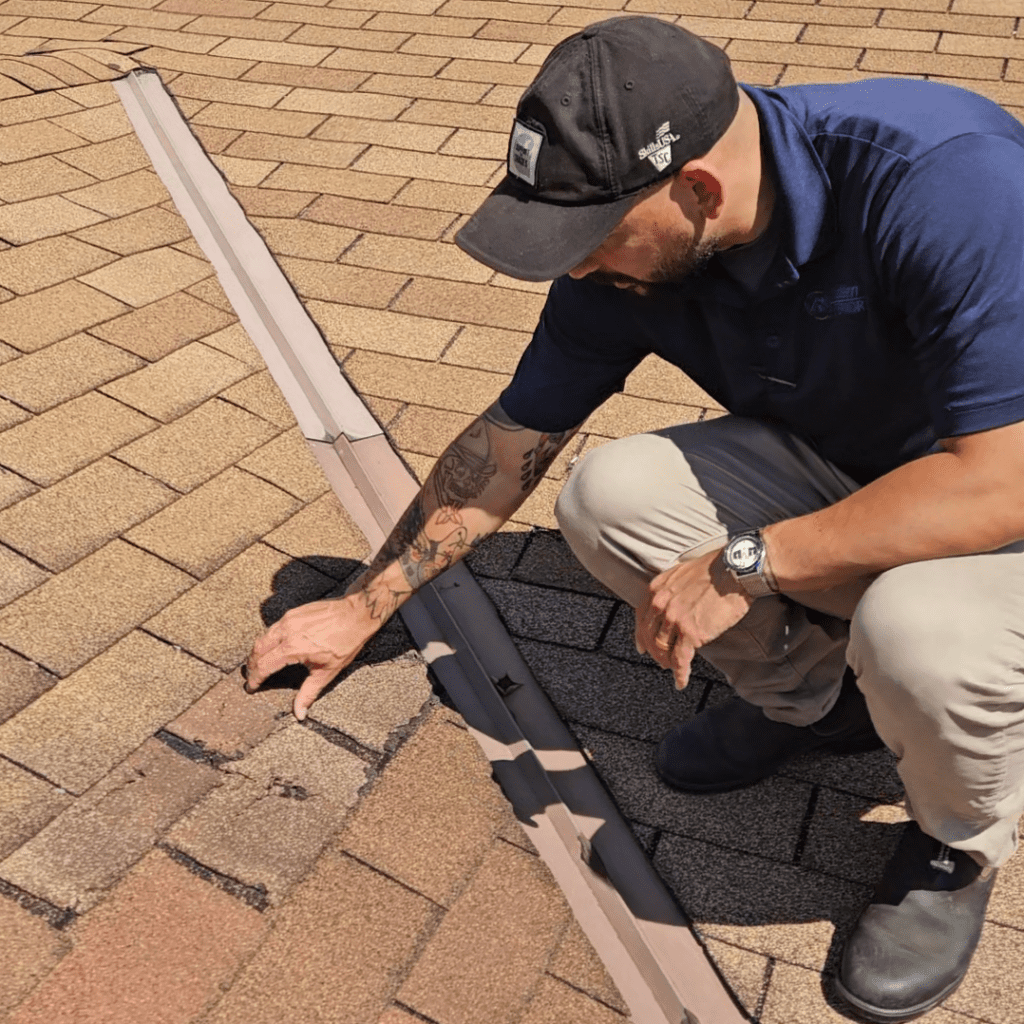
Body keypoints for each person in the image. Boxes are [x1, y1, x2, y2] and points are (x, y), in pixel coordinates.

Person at [243, 16, 1024, 1021]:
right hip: (869, 468)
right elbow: (511, 442)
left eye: (592, 240)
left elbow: (997, 482)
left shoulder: (946, 181)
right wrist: (364, 603)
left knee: (915, 628)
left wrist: (750, 560)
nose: (574, 270)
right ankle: (820, 705)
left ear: (699, 189)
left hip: (1001, 490)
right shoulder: (636, 249)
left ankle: (957, 842)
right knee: (606, 496)